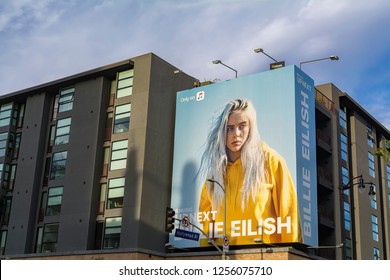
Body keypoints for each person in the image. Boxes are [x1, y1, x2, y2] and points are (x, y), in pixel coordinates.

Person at [196, 99, 300, 246]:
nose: (236, 134)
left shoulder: (270, 160)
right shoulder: (214, 175)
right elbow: (206, 225)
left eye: (242, 126)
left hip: (266, 258)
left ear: (251, 127)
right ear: (222, 132)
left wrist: (291, 256)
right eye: (229, 128)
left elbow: (289, 214)